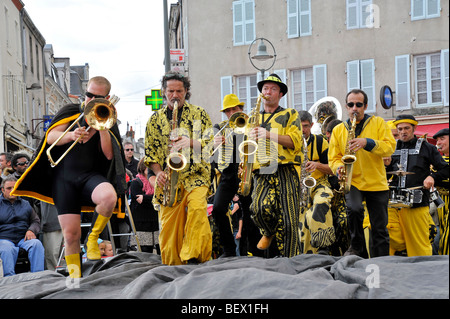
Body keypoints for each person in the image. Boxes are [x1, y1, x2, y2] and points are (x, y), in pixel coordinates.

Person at [12, 76, 126, 279]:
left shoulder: (109, 117)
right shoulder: (70, 111)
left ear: (106, 98)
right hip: (64, 180)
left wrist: (103, 129)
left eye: (97, 97)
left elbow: (110, 155)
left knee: (109, 196)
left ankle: (92, 238)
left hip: (91, 176)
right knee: (71, 236)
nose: (91, 99)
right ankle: (74, 282)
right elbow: (50, 137)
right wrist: (71, 135)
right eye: (88, 94)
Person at [144, 71, 213, 265]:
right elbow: (150, 153)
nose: (175, 95)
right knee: (168, 232)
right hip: (169, 179)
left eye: (179, 91)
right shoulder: (154, 120)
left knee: (198, 209)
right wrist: (158, 174)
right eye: (171, 91)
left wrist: (190, 142)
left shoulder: (199, 113)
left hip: (195, 174)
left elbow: (210, 144)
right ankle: (174, 269)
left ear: (186, 92)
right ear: (164, 92)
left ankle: (193, 257)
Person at [328, 89, 396, 258]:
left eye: (359, 105)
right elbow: (333, 157)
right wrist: (338, 168)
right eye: (351, 105)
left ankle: (382, 260)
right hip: (353, 180)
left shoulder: (378, 123)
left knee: (379, 227)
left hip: (377, 182)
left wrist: (367, 142)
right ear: (346, 107)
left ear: (365, 106)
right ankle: (357, 247)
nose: (354, 108)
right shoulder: (338, 130)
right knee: (354, 209)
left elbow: (390, 147)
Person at [249, 74, 303, 258]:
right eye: (265, 89)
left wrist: (267, 134)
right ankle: (268, 231)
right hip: (261, 168)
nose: (268, 92)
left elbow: (295, 142)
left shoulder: (290, 114)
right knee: (258, 209)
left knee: (289, 221)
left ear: (280, 94)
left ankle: (292, 261)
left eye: (273, 89)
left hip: (285, 168)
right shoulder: (252, 117)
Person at [386, 116, 449, 256]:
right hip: (393, 203)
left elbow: (446, 169)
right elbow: (384, 173)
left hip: (417, 203)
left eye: (407, 128)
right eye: (400, 129)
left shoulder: (427, 148)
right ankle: (401, 252)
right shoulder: (390, 147)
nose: (403, 132)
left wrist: (432, 177)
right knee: (386, 233)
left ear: (414, 129)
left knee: (419, 245)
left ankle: (421, 273)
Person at [210, 94, 248, 258]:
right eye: (228, 110)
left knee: (249, 212)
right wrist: (216, 143)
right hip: (228, 175)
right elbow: (212, 157)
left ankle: (249, 250)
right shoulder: (220, 128)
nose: (232, 113)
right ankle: (229, 250)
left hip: (247, 174)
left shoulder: (249, 125)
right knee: (218, 209)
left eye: (235, 109)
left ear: (241, 109)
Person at [297, 111, 335, 254]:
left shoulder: (320, 142)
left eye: (306, 126)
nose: (302, 130)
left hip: (319, 182)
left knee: (321, 204)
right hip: (299, 187)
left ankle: (324, 247)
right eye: (299, 127)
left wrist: (317, 165)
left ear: (312, 125)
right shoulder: (291, 143)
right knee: (303, 219)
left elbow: (333, 169)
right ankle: (308, 255)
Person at [0, 175, 44, 276]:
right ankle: (10, 280)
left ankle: (38, 277)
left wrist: (31, 230)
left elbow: (36, 221)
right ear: (2, 190)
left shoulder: (25, 204)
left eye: (14, 188)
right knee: (6, 248)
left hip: (23, 238)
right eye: (9, 188)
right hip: (4, 239)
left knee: (36, 244)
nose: (12, 190)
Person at [129, 158, 159, 254]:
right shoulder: (136, 182)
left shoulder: (157, 182)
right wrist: (152, 199)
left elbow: (159, 198)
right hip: (142, 223)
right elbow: (139, 200)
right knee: (146, 251)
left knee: (160, 249)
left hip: (155, 221)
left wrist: (145, 198)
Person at [433, 128, 449, 255]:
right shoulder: (436, 162)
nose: (438, 142)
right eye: (437, 140)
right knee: (440, 233)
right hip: (439, 203)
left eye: (442, 139)